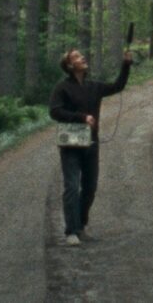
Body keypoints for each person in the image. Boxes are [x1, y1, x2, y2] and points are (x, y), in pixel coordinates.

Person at [49, 48, 133, 246]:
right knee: (71, 186)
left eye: (81, 55)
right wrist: (81, 117)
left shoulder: (93, 86)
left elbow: (117, 86)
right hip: (70, 143)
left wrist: (126, 64)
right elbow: (54, 111)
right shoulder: (62, 88)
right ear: (70, 65)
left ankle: (80, 226)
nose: (83, 58)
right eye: (77, 57)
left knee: (90, 187)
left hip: (91, 143)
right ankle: (71, 231)